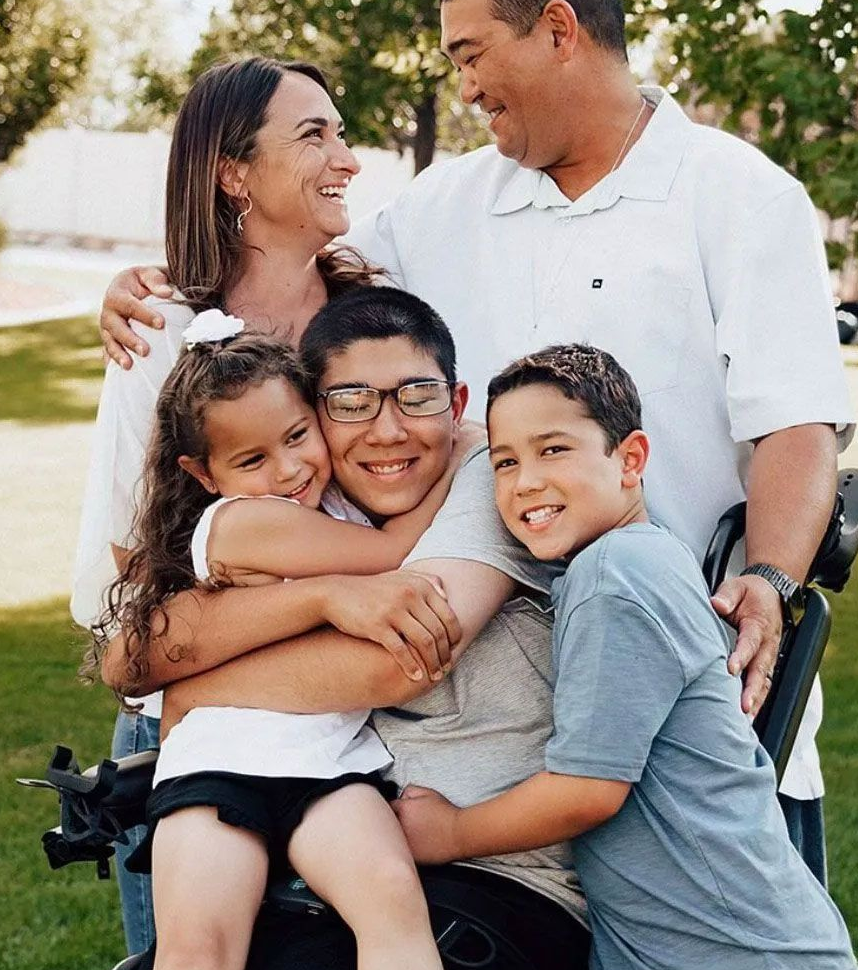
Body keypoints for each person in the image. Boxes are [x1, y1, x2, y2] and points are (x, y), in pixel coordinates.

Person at [99, 0, 853, 883]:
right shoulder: (443, 206)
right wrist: (157, 289)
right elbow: (279, 255)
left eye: (470, 53)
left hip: (692, 710)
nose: (461, 86)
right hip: (493, 738)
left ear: (557, 29)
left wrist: (775, 580)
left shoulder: (741, 196)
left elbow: (797, 424)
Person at [70, 55, 445, 956]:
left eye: (341, 131)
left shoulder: (370, 312)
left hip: (344, 727)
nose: (347, 157)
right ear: (232, 172)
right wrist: (322, 598)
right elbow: (136, 592)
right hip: (190, 730)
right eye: (314, 135)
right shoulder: (162, 332)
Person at [103, 287, 594, 970]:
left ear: (457, 408)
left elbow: (399, 658)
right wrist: (326, 599)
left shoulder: (487, 475)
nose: (387, 430)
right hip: (287, 813)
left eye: (416, 397)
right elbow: (130, 655)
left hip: (495, 878)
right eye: (352, 402)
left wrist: (195, 689)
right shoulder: (292, 510)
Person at [393, 343, 858, 970]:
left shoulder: (616, 576)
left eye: (553, 449)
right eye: (503, 462)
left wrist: (450, 832)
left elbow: (588, 790)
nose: (525, 480)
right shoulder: (634, 558)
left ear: (630, 459)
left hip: (736, 951)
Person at [92, 311, 460, 970]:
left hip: (331, 766)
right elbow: (390, 551)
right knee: (199, 948)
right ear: (204, 474)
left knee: (393, 905)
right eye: (253, 458)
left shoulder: (333, 506)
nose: (290, 469)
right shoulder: (244, 521)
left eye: (297, 435)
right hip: (219, 769)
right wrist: (461, 457)